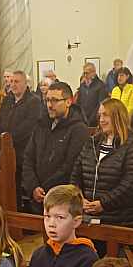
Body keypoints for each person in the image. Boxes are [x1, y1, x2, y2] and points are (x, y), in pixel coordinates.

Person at [70, 98, 133, 233]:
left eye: (106, 115)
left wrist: (104, 203)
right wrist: (79, 199)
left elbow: (132, 183)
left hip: (122, 221)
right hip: (89, 218)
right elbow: (76, 175)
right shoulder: (92, 143)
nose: (101, 119)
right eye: (100, 115)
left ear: (118, 116)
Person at [22, 81, 88, 214]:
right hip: (39, 195)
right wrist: (33, 186)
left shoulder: (78, 129)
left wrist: (47, 189)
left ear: (68, 102)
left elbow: (70, 165)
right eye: (47, 100)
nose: (49, 105)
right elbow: (28, 157)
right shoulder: (41, 125)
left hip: (62, 198)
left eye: (55, 100)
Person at [0, 70, 46, 199]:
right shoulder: (7, 100)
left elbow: (29, 127)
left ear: (26, 84)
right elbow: (0, 120)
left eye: (17, 82)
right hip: (5, 150)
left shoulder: (33, 101)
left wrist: (9, 139)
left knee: (21, 188)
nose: (13, 84)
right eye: (11, 81)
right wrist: (2, 139)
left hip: (23, 150)